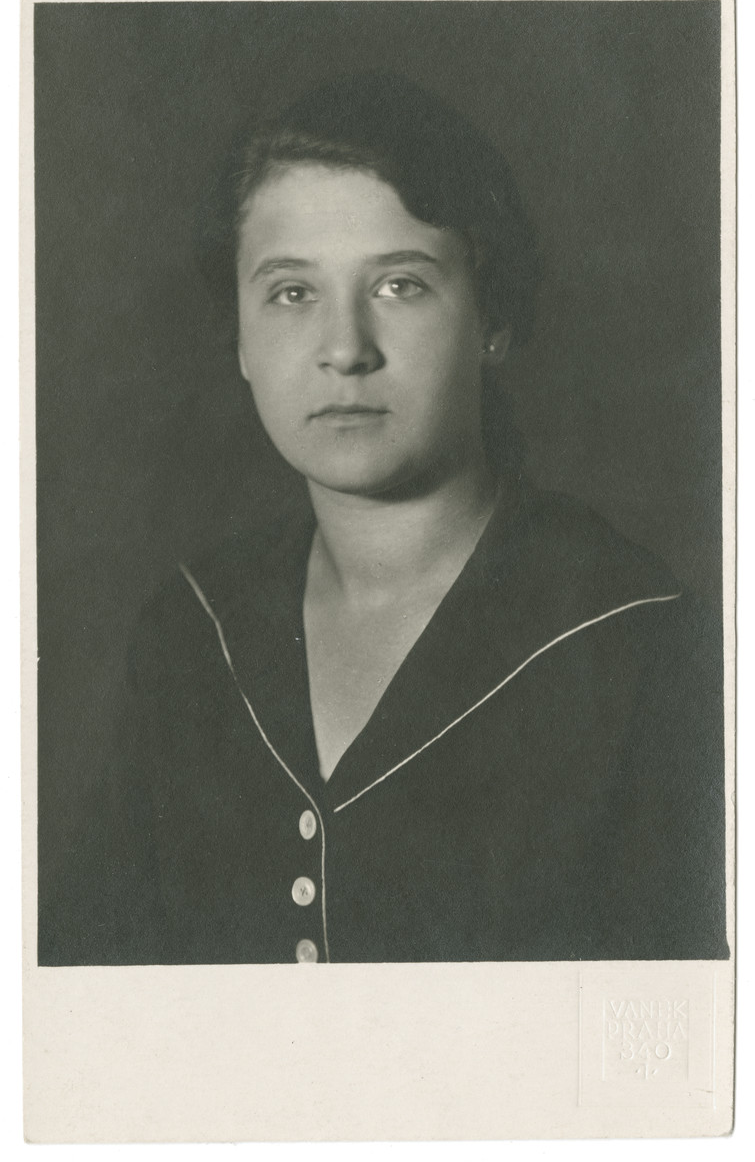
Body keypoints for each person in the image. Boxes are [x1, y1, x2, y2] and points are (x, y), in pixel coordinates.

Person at [41, 72, 729, 966]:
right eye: (291, 293)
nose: (343, 349)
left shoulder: (640, 645)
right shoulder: (190, 632)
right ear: (240, 340)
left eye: (400, 285)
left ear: (494, 320)